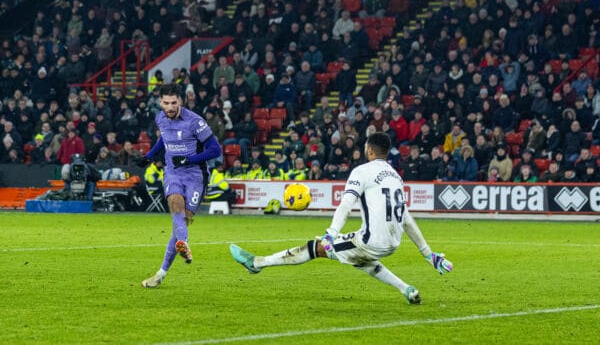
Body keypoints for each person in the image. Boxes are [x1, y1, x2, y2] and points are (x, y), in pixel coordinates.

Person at [229, 133, 453, 304]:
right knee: (363, 262)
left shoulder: (363, 171)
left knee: (315, 247)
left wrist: (331, 233)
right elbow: (406, 218)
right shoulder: (396, 177)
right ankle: (407, 289)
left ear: (370, 150)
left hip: (370, 241)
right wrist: (428, 254)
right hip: (393, 243)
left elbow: (346, 204)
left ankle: (257, 263)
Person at [138, 83, 222, 288]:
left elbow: (215, 150)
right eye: (166, 103)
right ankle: (183, 245)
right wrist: (149, 156)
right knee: (175, 204)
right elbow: (164, 141)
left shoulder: (195, 122)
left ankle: (160, 274)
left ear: (181, 101)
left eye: (174, 102)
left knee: (183, 221)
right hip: (172, 173)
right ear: (160, 102)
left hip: (195, 176)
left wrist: (189, 160)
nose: (170, 107)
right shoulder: (160, 118)